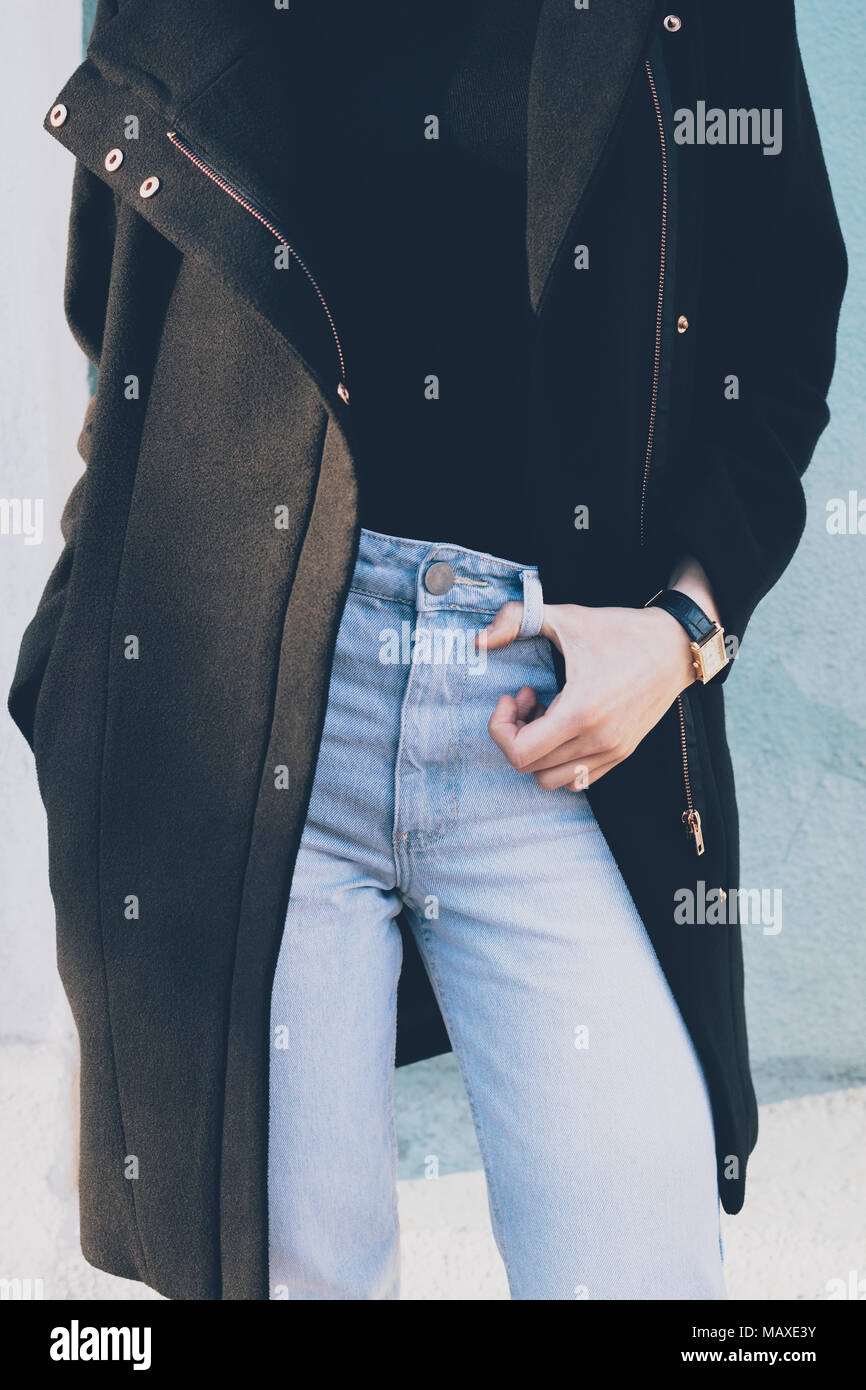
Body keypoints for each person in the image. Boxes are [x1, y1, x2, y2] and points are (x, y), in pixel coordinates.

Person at [9, 0, 846, 1300]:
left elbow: (776, 329)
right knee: (290, 1274)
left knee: (640, 1254)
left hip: (552, 712)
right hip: (250, 694)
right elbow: (125, 323)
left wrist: (680, 633)